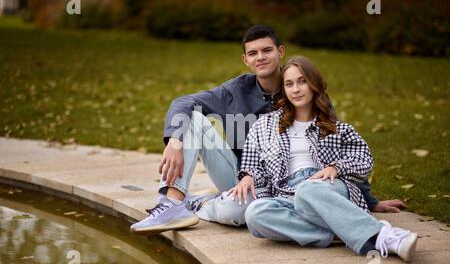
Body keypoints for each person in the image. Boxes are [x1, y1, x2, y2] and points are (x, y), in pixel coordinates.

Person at [130, 25, 405, 235]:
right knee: (195, 119)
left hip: (293, 185)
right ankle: (173, 203)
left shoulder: (304, 91)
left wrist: (368, 199)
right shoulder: (234, 90)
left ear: (280, 52)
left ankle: (202, 204)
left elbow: (335, 147)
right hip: (243, 177)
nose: (260, 57)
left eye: (267, 50)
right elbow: (184, 102)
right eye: (253, 53)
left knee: (242, 216)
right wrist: (175, 141)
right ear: (245, 59)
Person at [230, 55, 417, 261]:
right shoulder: (264, 126)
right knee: (255, 214)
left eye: (302, 81)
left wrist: (336, 168)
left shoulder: (338, 128)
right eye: (289, 84)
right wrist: (249, 177)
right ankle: (351, 231)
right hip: (287, 195)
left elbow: (364, 159)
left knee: (307, 189)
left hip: (328, 187)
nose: (296, 89)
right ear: (283, 89)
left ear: (313, 84)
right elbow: (253, 164)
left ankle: (386, 238)